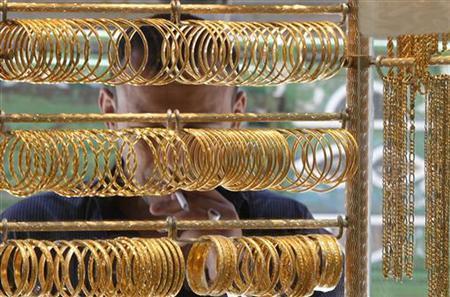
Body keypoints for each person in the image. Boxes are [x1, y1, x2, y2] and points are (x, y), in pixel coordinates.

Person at [0, 14, 344, 297]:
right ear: (110, 113)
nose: (174, 150)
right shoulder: (33, 232)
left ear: (237, 117)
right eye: (150, 126)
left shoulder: (288, 233)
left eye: (198, 126)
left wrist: (243, 273)